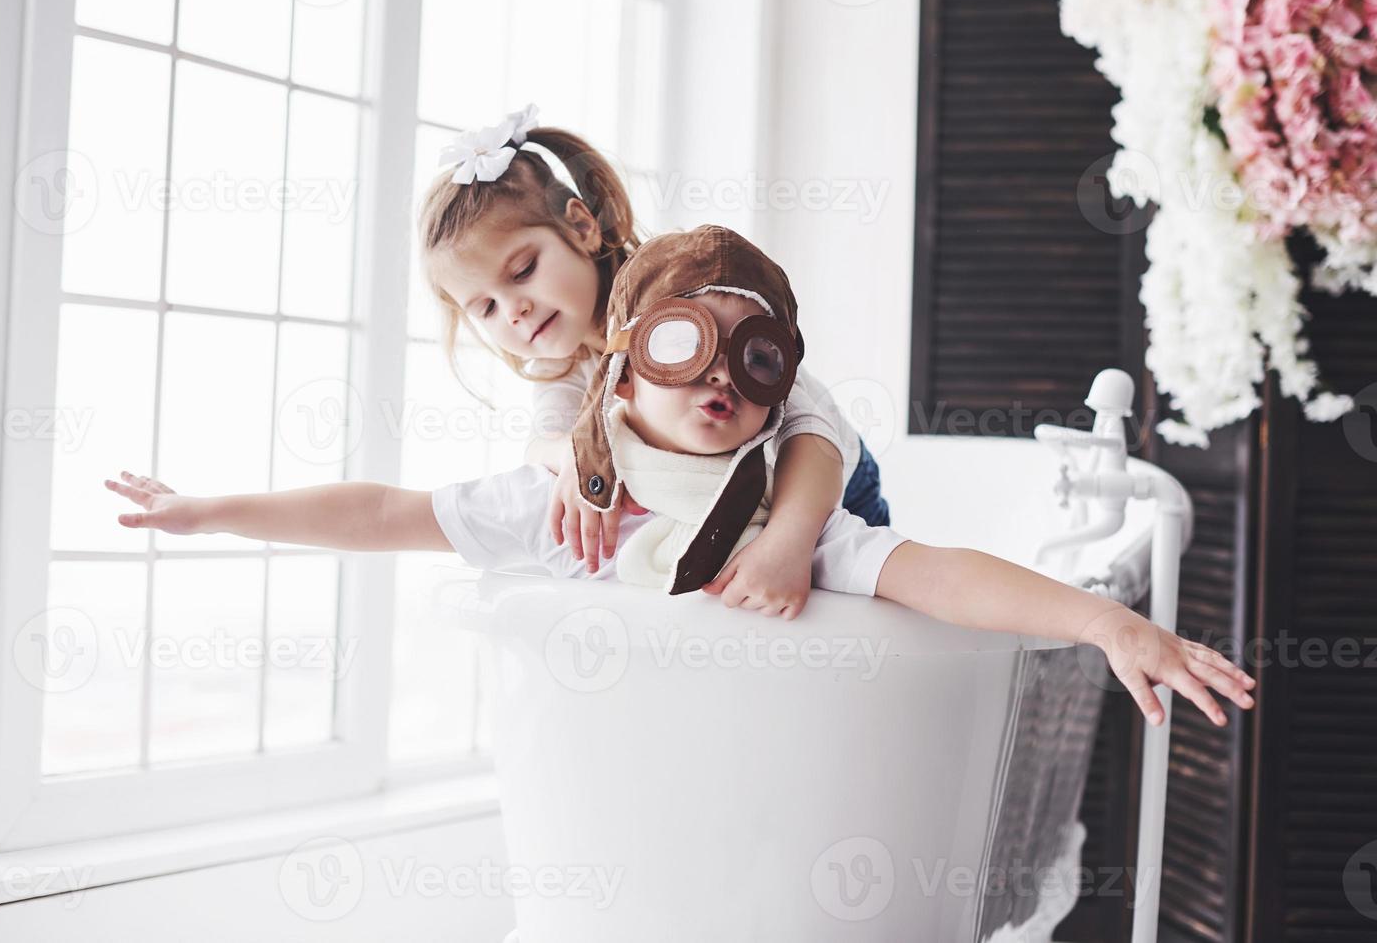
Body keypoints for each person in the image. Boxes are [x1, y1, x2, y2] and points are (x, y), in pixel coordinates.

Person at [105, 226, 1256, 731]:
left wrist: (1105, 620)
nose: (716, 374)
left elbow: (942, 575)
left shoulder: (781, 510)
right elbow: (388, 509)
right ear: (619, 374)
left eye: (749, 358)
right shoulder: (567, 507)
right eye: (677, 346)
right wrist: (214, 508)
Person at [417, 103, 886, 620]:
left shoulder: (681, 300)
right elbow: (542, 441)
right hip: (736, 494)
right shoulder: (567, 369)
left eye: (523, 270)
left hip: (826, 479)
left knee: (861, 608)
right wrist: (575, 452)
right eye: (486, 307)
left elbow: (809, 429)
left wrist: (791, 539)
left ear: (581, 226)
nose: (514, 311)